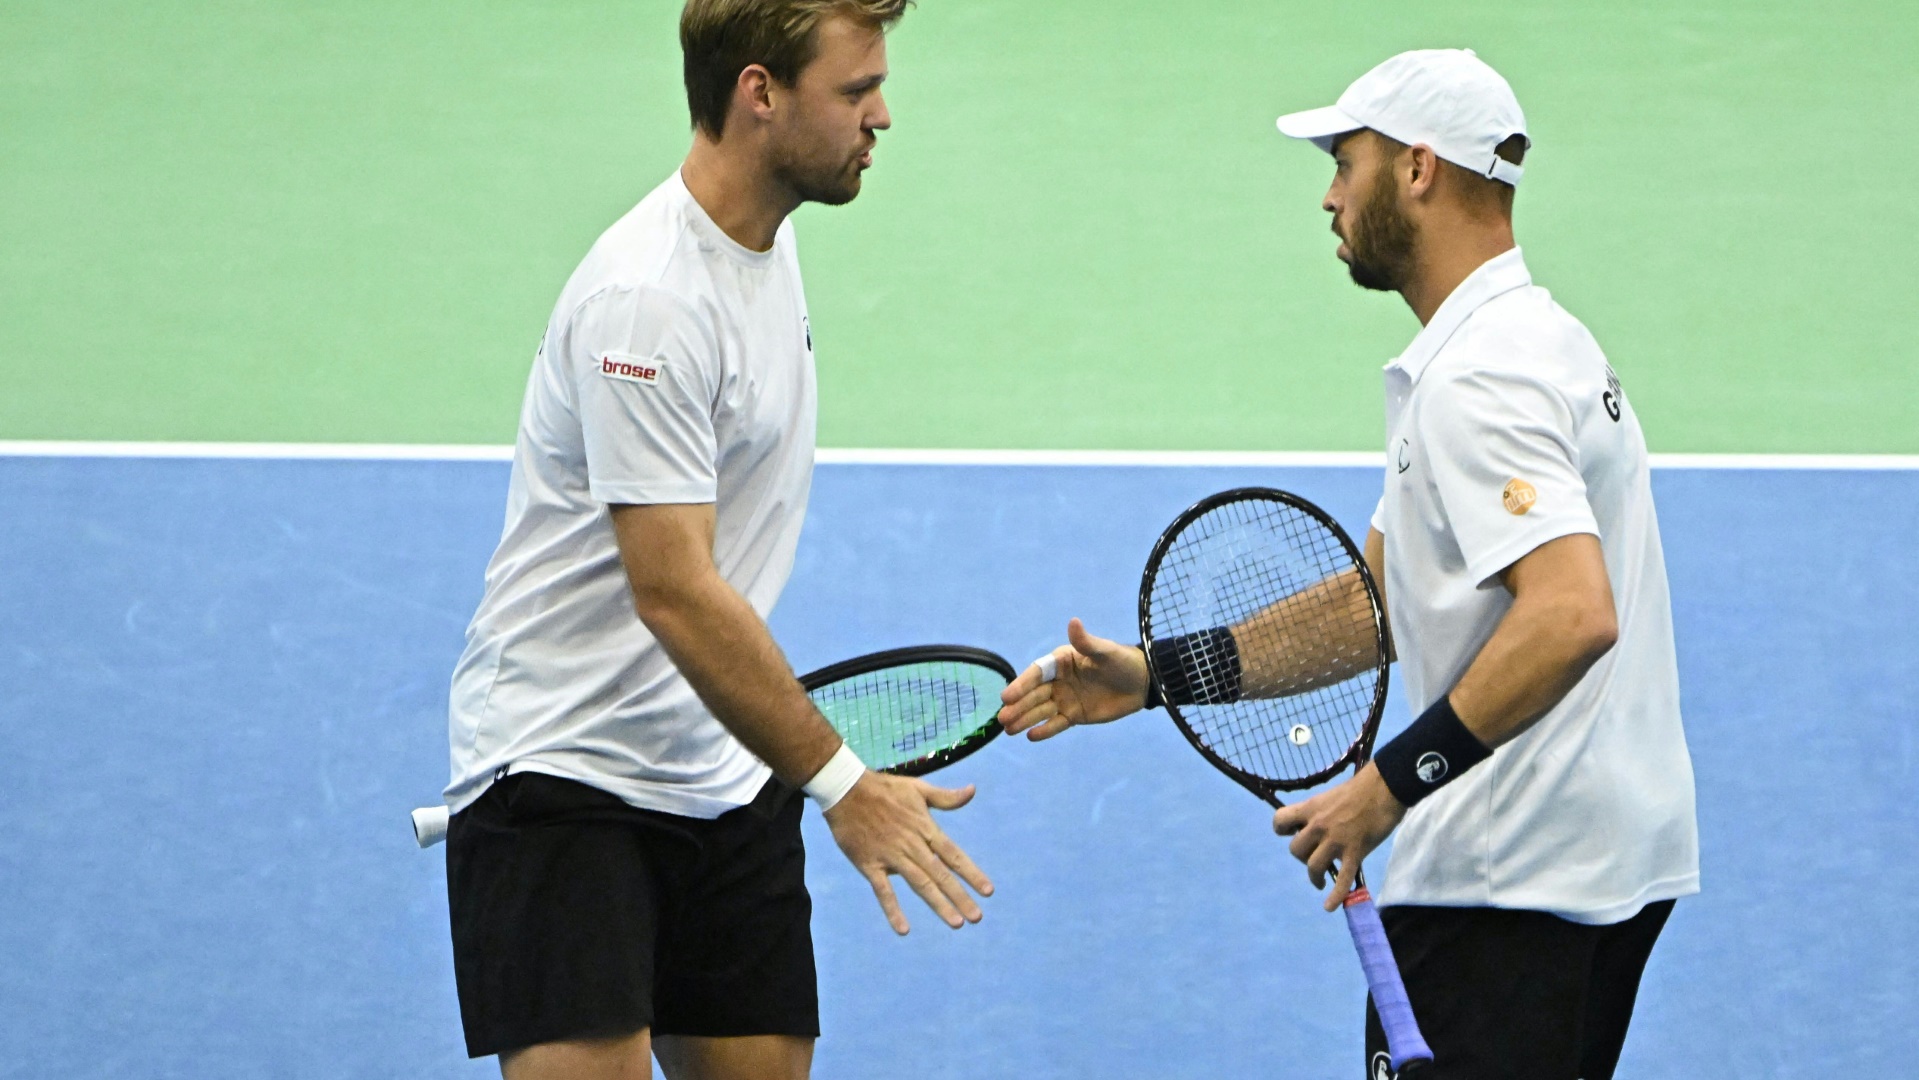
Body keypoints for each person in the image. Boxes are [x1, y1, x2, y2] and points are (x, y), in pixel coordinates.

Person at [996, 49, 1697, 1080]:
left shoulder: (1478, 379)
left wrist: (1385, 788)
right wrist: (1156, 678)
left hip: (1503, 881)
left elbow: (1569, 615)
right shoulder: (1535, 339)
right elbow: (1373, 609)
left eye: (1344, 160)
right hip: (1602, 862)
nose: (1328, 194)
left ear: (1416, 169)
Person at [439, 3, 993, 1078]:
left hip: (723, 770)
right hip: (565, 776)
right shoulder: (647, 303)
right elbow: (676, 592)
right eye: (853, 91)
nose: (881, 115)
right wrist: (842, 782)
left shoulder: (759, 243)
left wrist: (786, 769)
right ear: (759, 94)